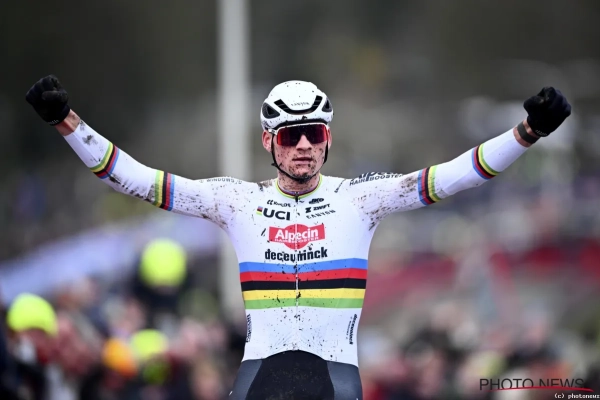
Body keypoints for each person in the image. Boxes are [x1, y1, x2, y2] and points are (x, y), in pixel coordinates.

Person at [25, 75, 571, 400]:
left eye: (314, 133)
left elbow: (453, 176)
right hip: (259, 377)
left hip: (335, 379)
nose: (304, 146)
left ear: (328, 138)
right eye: (292, 136)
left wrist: (527, 133)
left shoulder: (362, 198)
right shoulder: (235, 200)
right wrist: (67, 122)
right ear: (270, 141)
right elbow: (137, 180)